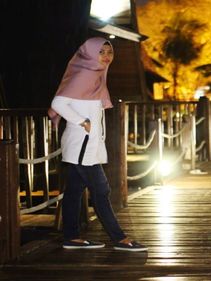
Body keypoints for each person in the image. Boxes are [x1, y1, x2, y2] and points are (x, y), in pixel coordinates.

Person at [48, 37, 147, 252]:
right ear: (89, 53)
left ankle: (71, 237)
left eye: (109, 52)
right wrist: (83, 122)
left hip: (85, 144)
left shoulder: (95, 75)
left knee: (74, 191)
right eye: (101, 52)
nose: (106, 56)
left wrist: (88, 124)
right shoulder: (84, 75)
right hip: (82, 145)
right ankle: (118, 238)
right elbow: (58, 103)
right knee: (101, 190)